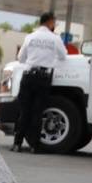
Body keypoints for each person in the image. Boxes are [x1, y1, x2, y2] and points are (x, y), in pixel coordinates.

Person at [12, 11, 67, 152]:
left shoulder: (30, 37)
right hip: (43, 78)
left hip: (28, 75)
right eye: (54, 22)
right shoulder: (55, 39)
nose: (55, 25)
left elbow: (21, 58)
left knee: (24, 111)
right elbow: (63, 56)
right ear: (49, 22)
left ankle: (17, 144)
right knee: (38, 111)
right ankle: (34, 146)